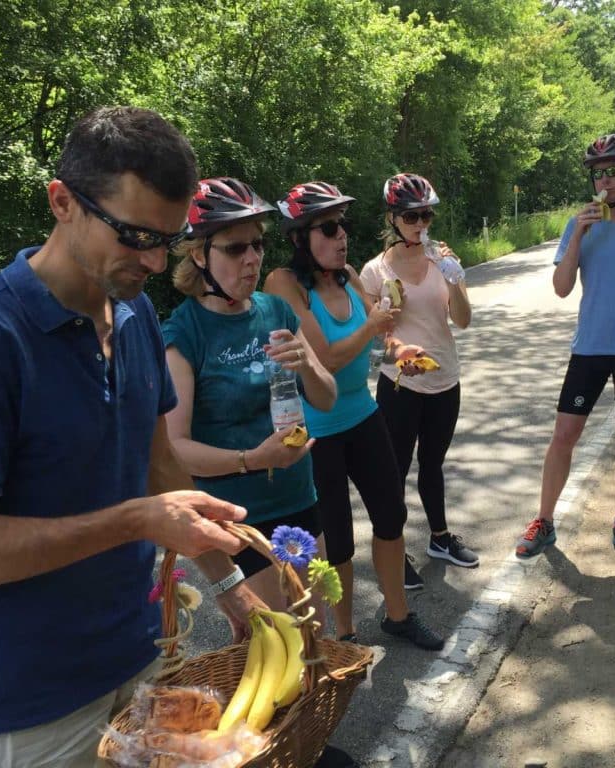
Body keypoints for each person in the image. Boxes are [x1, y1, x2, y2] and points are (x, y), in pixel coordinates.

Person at [0, 107, 256, 768]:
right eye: (133, 235)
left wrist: (230, 581)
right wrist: (130, 523)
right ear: (62, 202)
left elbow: (160, 467)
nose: (154, 260)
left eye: (168, 239)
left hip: (136, 664)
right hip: (22, 707)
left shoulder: (135, 313)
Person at [263, 181, 444, 651]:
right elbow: (323, 357)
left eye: (342, 225)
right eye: (327, 227)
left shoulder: (346, 274)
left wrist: (401, 348)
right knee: (337, 538)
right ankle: (345, 633)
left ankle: (397, 616)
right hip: (317, 431)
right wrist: (373, 326)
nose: (341, 235)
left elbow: (382, 335)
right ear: (300, 237)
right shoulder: (284, 284)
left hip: (364, 416)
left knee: (391, 516)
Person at [162, 177, 338, 616]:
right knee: (279, 644)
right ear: (200, 253)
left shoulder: (275, 310)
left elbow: (327, 399)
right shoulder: (183, 333)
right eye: (236, 248)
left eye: (257, 245)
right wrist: (253, 459)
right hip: (238, 516)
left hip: (300, 498)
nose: (253, 258)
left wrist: (309, 364)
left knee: (314, 631)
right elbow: (175, 449)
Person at [515, 134, 615, 561]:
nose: (604, 181)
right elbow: (561, 287)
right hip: (590, 346)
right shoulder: (579, 223)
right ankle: (544, 521)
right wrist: (577, 236)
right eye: (597, 173)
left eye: (612, 171)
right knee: (563, 435)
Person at [359, 173, 477, 588]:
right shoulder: (374, 271)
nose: (421, 223)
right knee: (395, 470)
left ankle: (440, 539)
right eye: (411, 215)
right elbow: (376, 333)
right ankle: (395, 549)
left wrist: (453, 277)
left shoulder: (441, 260)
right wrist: (394, 330)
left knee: (433, 463)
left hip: (446, 378)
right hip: (401, 385)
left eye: (426, 214)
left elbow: (462, 320)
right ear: (393, 218)